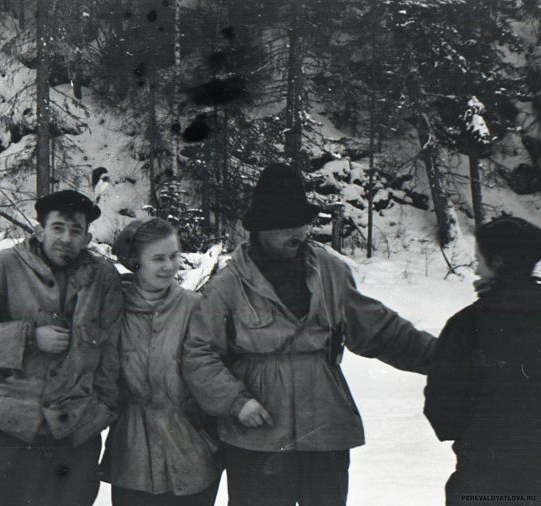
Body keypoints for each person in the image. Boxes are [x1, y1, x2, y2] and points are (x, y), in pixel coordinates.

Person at [182, 162, 437, 506]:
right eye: (287, 224)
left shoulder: (331, 271)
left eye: (302, 221)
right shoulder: (226, 286)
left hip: (325, 430)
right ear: (261, 229)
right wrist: (235, 402)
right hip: (257, 439)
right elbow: (199, 355)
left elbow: (381, 330)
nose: (300, 231)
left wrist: (446, 357)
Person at [0, 189, 123, 506]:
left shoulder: (103, 279)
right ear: (39, 229)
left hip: (73, 433)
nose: (66, 239)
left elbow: (111, 356)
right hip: (6, 427)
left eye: (75, 231)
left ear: (86, 238)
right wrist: (29, 338)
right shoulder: (1, 268)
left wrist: (101, 410)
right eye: (58, 228)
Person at [100, 218, 222, 506]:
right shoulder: (114, 309)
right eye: (158, 258)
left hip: (190, 449)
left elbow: (215, 371)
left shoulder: (195, 307)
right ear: (136, 262)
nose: (169, 265)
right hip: (132, 453)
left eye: (173, 256)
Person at [424, 217, 541, 506]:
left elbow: (442, 409)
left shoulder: (467, 324)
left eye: (479, 259)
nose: (475, 268)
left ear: (498, 262)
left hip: (481, 479)